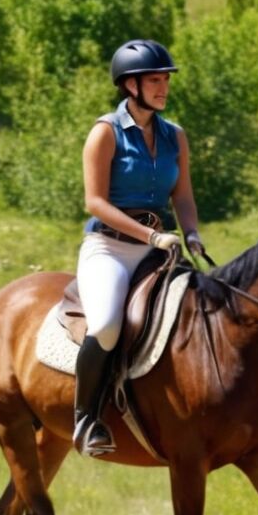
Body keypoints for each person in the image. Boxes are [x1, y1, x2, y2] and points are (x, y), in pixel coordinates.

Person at [72, 39, 206, 457]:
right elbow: (95, 202)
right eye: (155, 81)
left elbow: (182, 195)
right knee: (107, 326)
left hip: (159, 252)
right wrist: (150, 236)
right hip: (109, 249)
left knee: (199, 313)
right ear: (131, 85)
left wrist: (191, 233)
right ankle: (85, 418)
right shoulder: (105, 133)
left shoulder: (175, 136)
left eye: (166, 80)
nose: (164, 88)